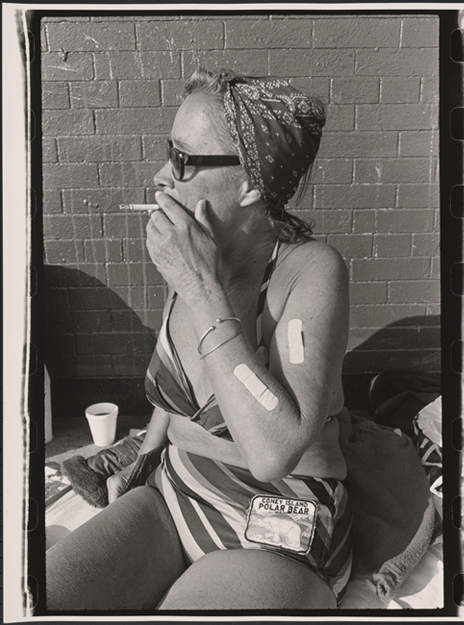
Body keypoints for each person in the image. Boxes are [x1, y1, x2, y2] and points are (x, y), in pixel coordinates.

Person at [46, 68, 352, 611]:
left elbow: (273, 451)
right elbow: (180, 393)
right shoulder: (196, 251)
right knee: (42, 594)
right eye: (170, 151)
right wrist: (144, 456)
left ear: (251, 183)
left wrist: (201, 287)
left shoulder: (310, 272)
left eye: (184, 159)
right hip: (174, 492)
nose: (163, 175)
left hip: (276, 523)